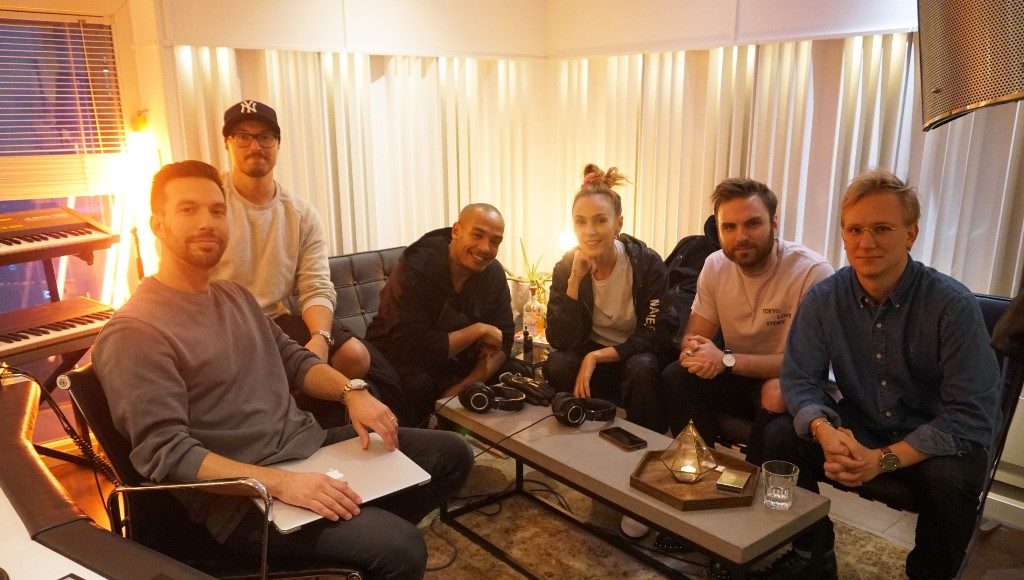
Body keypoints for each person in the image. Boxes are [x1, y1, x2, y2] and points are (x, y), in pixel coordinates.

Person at [93, 160, 472, 579]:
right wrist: (280, 484)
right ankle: (358, 547)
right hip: (244, 500)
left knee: (451, 455)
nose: (207, 223)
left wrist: (352, 392)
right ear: (158, 224)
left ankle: (348, 549)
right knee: (402, 549)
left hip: (306, 449)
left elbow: (296, 361)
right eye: (188, 209)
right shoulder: (135, 331)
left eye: (217, 211)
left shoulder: (235, 297)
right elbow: (167, 454)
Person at [759, 170, 1000, 579]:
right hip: (864, 424)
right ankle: (813, 551)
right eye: (855, 230)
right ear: (844, 235)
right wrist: (824, 430)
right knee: (780, 435)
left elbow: (970, 415)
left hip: (935, 439)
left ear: (911, 234)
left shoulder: (952, 306)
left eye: (882, 229)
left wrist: (882, 460)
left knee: (951, 479)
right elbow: (800, 380)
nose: (866, 242)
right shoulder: (823, 299)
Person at [210, 99, 403, 427]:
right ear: (227, 143)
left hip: (273, 319)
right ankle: (281, 421)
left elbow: (316, 286)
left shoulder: (299, 213)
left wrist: (320, 338)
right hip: (221, 324)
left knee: (355, 356)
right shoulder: (214, 203)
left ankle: (310, 421)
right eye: (242, 137)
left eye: (265, 137)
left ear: (277, 144)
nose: (255, 146)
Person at [659, 178, 833, 466]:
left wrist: (725, 360)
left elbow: (806, 365)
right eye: (729, 227)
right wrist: (694, 353)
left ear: (773, 223)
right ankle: (700, 468)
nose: (740, 236)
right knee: (676, 375)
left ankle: (749, 482)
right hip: (738, 376)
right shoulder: (715, 265)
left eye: (752, 224)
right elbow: (693, 339)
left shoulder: (812, 272)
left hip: (790, 383)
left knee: (776, 391)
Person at [543, 163, 676, 434]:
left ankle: (644, 441)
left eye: (600, 220)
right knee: (557, 364)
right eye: (580, 221)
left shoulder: (646, 264)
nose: (589, 231)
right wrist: (574, 281)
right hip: (592, 355)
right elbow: (559, 339)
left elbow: (656, 336)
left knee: (642, 368)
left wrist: (595, 357)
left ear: (618, 224)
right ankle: (573, 432)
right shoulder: (567, 266)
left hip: (631, 356)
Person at [365, 203, 515, 428]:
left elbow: (505, 338)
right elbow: (414, 346)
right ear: (456, 231)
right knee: (419, 384)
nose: (485, 248)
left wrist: (465, 387)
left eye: (495, 241)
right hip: (398, 358)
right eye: (477, 235)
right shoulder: (416, 267)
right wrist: (478, 330)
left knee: (514, 372)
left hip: (454, 362)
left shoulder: (493, 272)